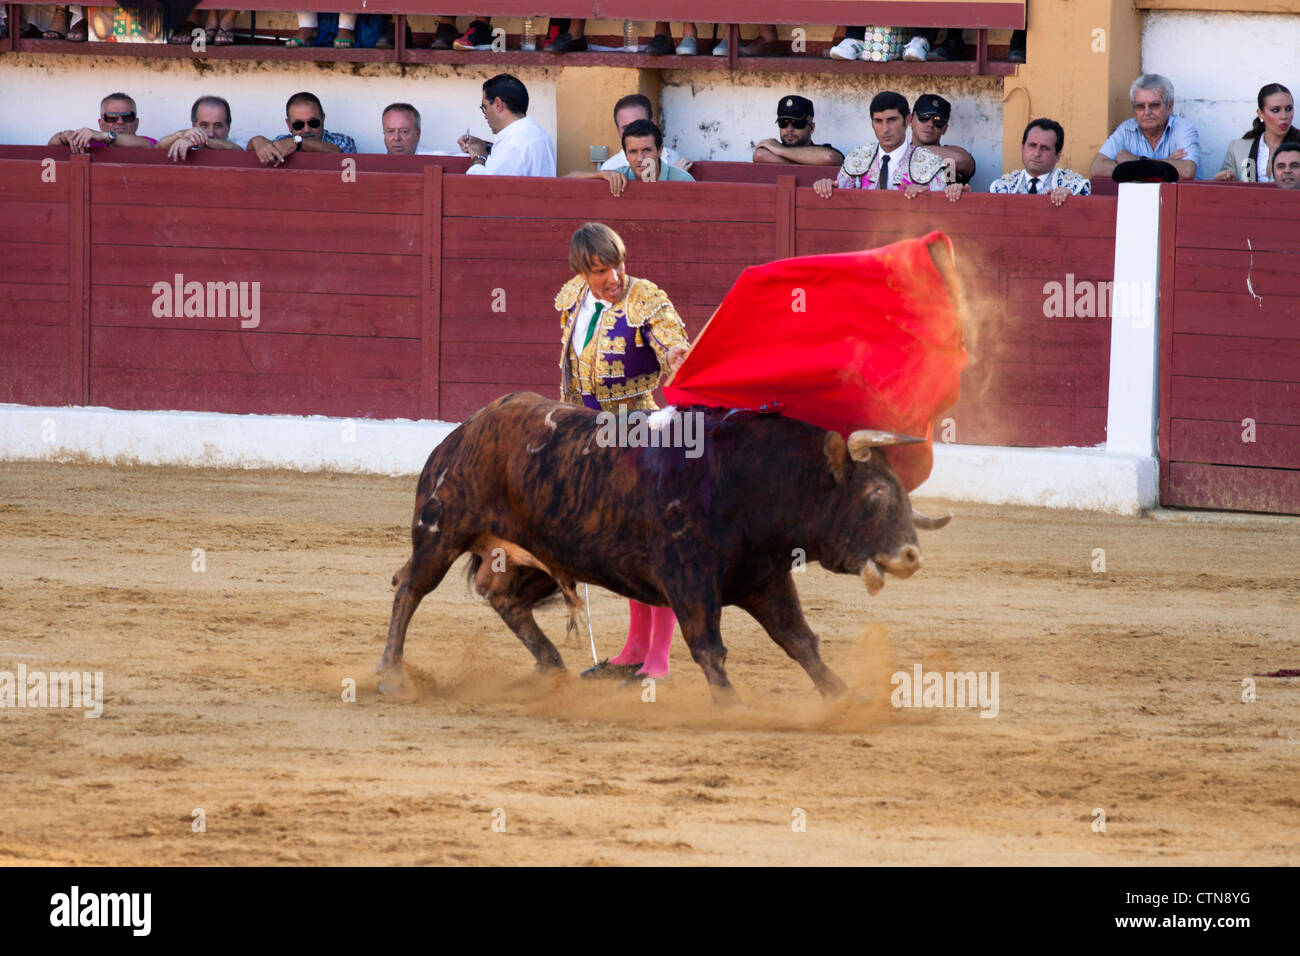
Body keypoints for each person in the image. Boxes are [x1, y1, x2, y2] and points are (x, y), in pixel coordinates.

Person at [556, 223, 690, 681]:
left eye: (617, 265)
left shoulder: (645, 296)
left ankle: (659, 659)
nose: (612, 276)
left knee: (654, 548)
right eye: (599, 270)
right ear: (582, 271)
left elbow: (667, 335)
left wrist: (674, 353)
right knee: (622, 549)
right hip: (589, 435)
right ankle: (635, 647)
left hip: (638, 432)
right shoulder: (573, 297)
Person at [812, 92, 966, 202]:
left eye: (892, 120)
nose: (885, 129)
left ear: (907, 121)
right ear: (872, 123)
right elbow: (840, 200)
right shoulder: (858, 158)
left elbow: (942, 208)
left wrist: (927, 197)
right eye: (878, 121)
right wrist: (826, 186)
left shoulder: (931, 163)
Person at [1090, 74, 1200, 181]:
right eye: (1140, 106)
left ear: (1169, 106)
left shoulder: (1183, 129)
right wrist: (1164, 164)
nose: (1147, 112)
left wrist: (1135, 161)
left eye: (1154, 105)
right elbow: (1097, 167)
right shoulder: (1126, 130)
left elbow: (1187, 171)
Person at [458, 74, 556, 176]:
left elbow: (480, 187)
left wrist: (478, 157)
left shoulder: (513, 145)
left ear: (498, 104)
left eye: (484, 108)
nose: (485, 116)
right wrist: (485, 146)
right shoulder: (537, 132)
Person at [568, 120, 694, 195]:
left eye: (646, 150)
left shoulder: (682, 179)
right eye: (633, 151)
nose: (640, 158)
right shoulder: (619, 176)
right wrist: (600, 175)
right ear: (625, 154)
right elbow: (566, 180)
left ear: (660, 151)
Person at [990, 118, 1091, 205]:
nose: (1037, 153)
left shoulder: (1073, 186)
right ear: (1022, 149)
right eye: (1032, 145)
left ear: (1058, 156)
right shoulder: (1001, 187)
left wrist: (1073, 200)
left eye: (1045, 148)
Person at [1214, 83, 1298, 183]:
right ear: (1260, 114)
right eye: (1275, 110)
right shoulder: (1238, 149)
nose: (1284, 116)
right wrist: (1225, 179)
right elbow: (1223, 190)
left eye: (1289, 109)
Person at [247, 92, 356, 166]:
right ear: (288, 125)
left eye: (313, 122)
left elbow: (340, 154)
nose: (307, 129)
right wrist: (256, 140)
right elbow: (253, 154)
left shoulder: (342, 141)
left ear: (323, 119)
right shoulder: (282, 141)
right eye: (298, 125)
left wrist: (297, 141)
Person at [600, 94, 691, 173]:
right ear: (619, 132)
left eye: (640, 124)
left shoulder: (672, 157)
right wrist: (673, 176)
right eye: (626, 128)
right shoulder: (611, 168)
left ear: (654, 124)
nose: (633, 131)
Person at [752, 95, 844, 166]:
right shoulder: (773, 149)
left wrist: (780, 150)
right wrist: (812, 161)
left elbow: (829, 157)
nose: (789, 129)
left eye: (797, 123)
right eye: (783, 123)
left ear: (811, 128)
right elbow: (760, 155)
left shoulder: (777, 149)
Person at [48, 93, 156, 151]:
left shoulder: (146, 142)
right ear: (101, 123)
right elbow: (52, 146)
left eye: (127, 116)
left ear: (136, 123)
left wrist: (105, 136)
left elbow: (150, 147)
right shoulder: (92, 144)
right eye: (112, 117)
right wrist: (66, 136)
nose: (120, 122)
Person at [907, 94, 974, 184]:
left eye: (938, 121)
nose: (930, 124)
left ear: (944, 129)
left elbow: (959, 160)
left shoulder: (950, 154)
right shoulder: (896, 154)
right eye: (924, 117)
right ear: (910, 120)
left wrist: (912, 151)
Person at [155, 95, 241, 162]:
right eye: (204, 125)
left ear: (228, 127)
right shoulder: (184, 141)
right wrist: (181, 135)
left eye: (218, 126)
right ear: (193, 125)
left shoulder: (240, 144)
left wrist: (197, 141)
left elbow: (239, 150)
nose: (211, 133)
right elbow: (157, 148)